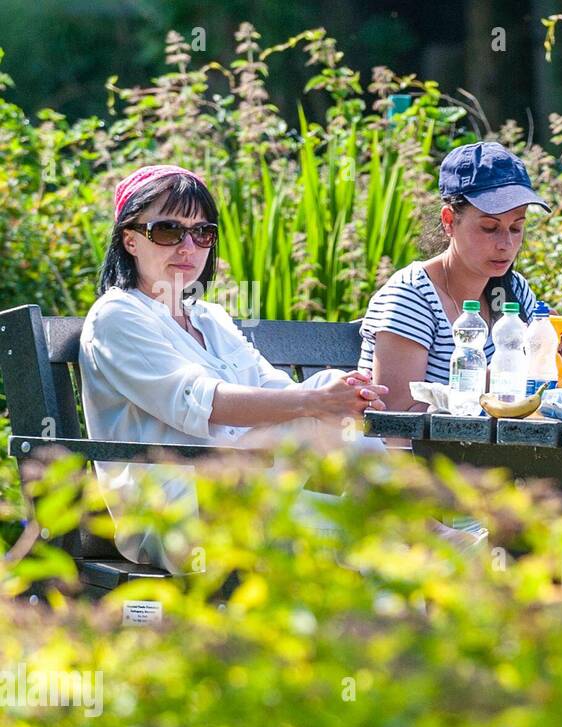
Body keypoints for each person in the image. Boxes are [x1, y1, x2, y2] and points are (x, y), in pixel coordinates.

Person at [80, 164, 395, 573]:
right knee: (365, 532)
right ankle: (427, 535)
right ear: (130, 241)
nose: (187, 247)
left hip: (249, 486)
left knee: (370, 524)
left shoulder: (208, 317)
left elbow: (273, 387)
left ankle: (414, 535)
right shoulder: (117, 316)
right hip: (177, 515)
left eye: (202, 233)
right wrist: (318, 401)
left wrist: (334, 395)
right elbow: (202, 403)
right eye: (167, 231)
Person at [360, 141, 562, 428]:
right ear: (449, 221)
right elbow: (393, 422)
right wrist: (500, 372)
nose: (506, 244)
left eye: (516, 228)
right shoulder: (411, 297)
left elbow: (546, 408)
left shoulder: (513, 290)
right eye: (489, 228)